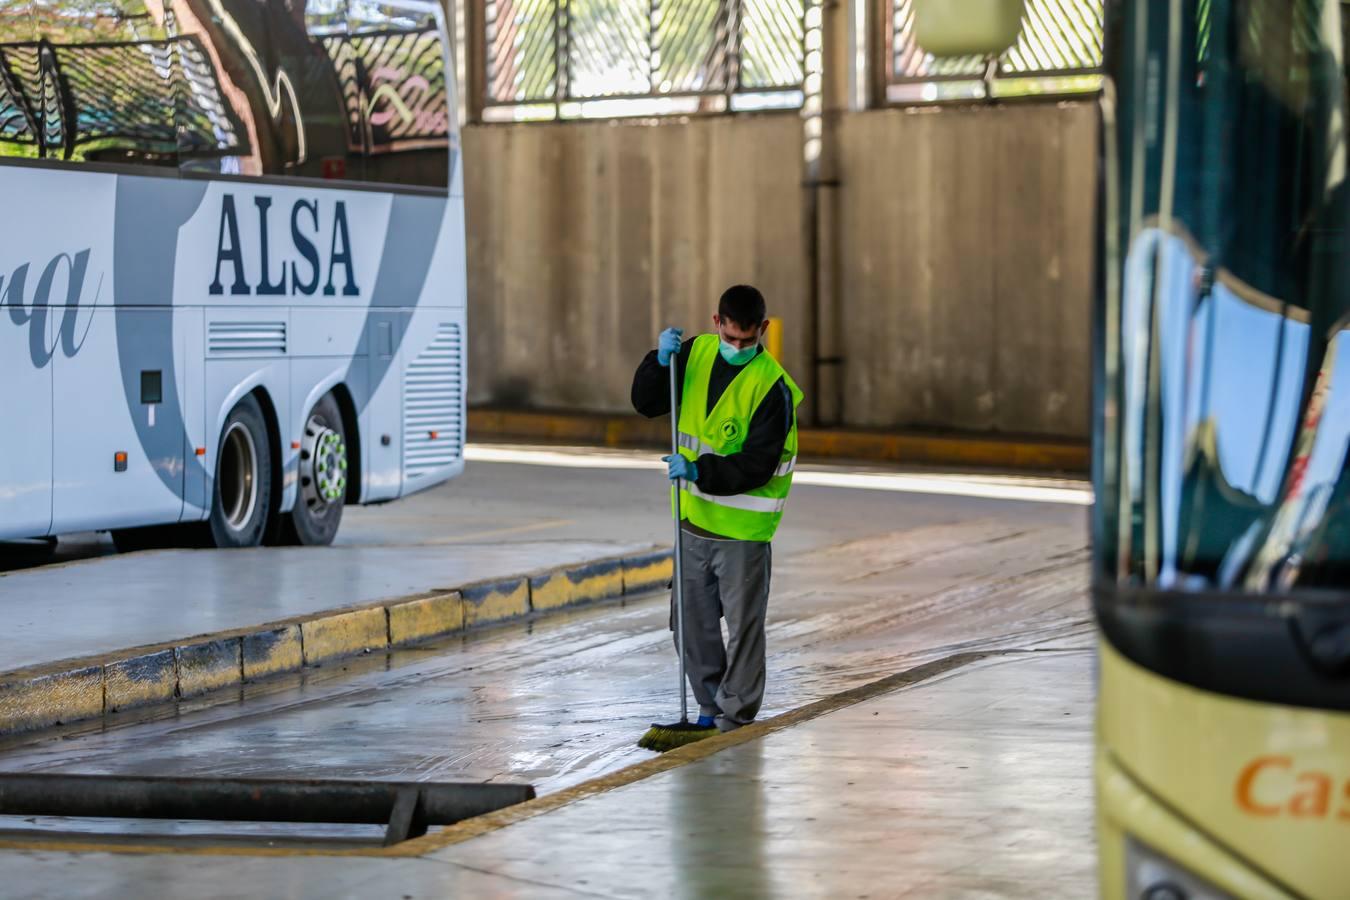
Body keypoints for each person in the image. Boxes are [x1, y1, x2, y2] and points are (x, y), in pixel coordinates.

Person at [631, 285, 803, 732]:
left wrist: (697, 470)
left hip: (743, 533)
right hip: (692, 523)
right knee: (690, 626)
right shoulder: (697, 353)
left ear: (762, 330)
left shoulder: (773, 388)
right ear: (716, 323)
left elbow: (758, 466)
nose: (738, 348)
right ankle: (707, 709)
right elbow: (647, 403)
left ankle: (734, 715)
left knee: (744, 632)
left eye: (748, 341)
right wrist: (659, 360)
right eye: (731, 338)